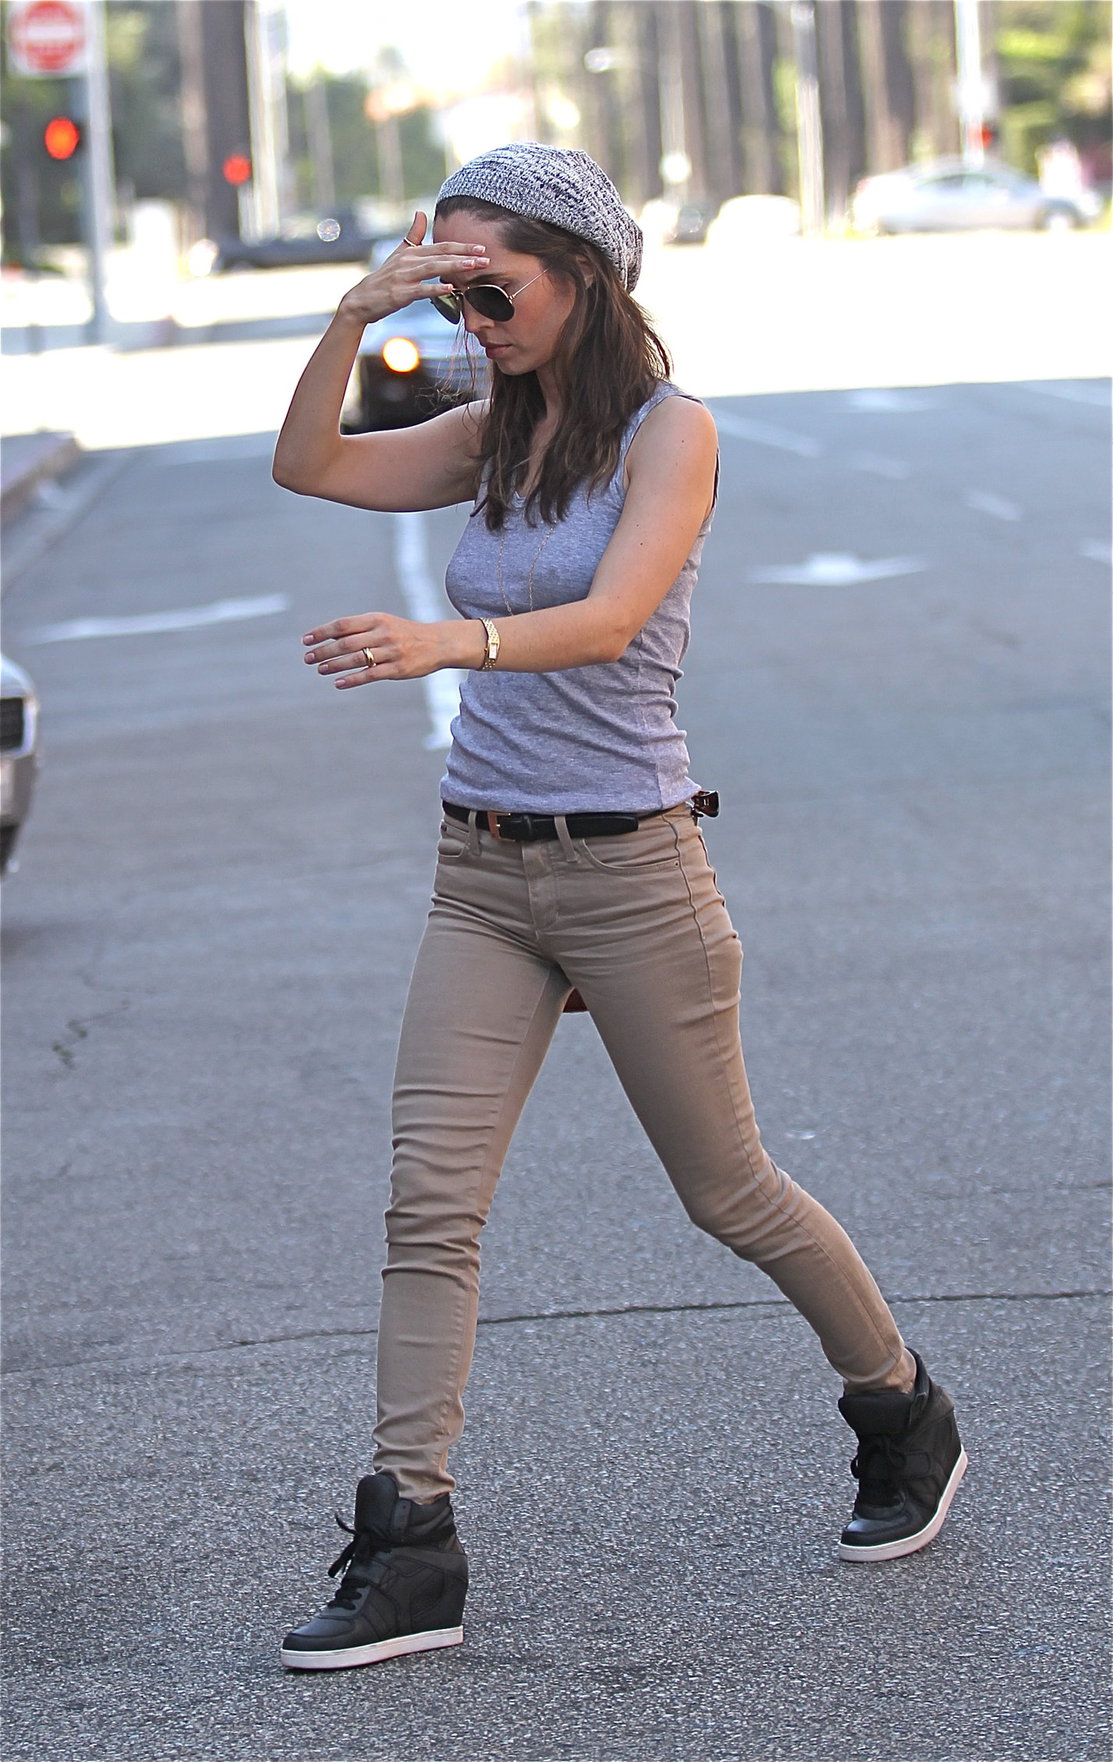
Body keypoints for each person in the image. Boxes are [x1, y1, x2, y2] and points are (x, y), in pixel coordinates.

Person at [272, 143, 966, 1674]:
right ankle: (410, 1540)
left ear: (582, 275)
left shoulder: (670, 435)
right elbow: (310, 465)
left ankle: (898, 1404)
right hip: (483, 871)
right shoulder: (486, 434)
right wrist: (348, 314)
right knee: (429, 1200)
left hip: (633, 868)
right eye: (448, 289)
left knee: (729, 1192)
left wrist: (441, 641)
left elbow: (608, 618)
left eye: (491, 285)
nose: (471, 318)